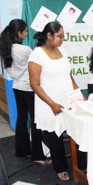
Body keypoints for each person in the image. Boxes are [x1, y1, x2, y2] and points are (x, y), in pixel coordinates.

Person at [28, 22, 84, 181]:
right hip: (49, 103)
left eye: (63, 36)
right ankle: (61, 167)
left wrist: (77, 92)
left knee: (75, 131)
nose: (62, 39)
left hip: (68, 99)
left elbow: (68, 75)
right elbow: (35, 84)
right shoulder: (37, 54)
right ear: (49, 35)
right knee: (55, 137)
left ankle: (80, 164)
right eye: (60, 36)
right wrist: (52, 103)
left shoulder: (62, 50)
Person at [0, 19, 47, 165]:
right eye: (25, 31)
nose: (27, 33)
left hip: (17, 87)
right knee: (35, 119)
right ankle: (38, 155)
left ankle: (22, 150)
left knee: (21, 118)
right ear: (19, 33)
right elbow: (39, 64)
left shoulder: (6, 49)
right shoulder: (25, 50)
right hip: (29, 88)